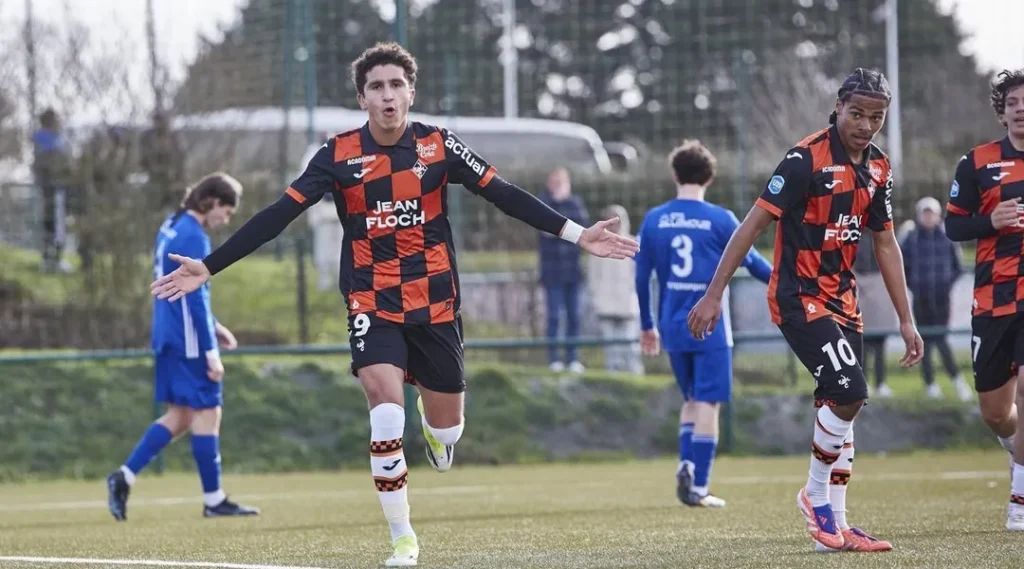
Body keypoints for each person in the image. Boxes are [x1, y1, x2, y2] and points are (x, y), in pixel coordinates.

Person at [149, 42, 638, 567]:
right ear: (363, 98)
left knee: (449, 429)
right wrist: (211, 265)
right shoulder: (336, 155)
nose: (387, 95)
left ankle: (435, 423)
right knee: (384, 413)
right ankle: (403, 538)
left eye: (395, 85)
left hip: (435, 303)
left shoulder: (438, 145)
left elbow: (505, 193)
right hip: (371, 299)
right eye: (376, 86)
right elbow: (278, 213)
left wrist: (576, 233)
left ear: (411, 91)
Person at [687, 68, 923, 552]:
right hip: (798, 296)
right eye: (856, 113)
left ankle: (832, 528)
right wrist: (715, 293)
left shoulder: (879, 167)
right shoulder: (803, 159)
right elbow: (750, 227)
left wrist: (906, 317)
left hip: (844, 301)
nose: (865, 124)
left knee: (840, 409)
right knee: (850, 389)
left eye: (875, 117)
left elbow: (885, 242)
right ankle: (813, 495)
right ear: (838, 107)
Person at [106, 173, 259, 521]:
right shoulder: (194, 235)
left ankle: (123, 476)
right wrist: (210, 351)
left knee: (182, 415)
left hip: (169, 333)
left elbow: (188, 294)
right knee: (208, 411)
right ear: (213, 202)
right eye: (227, 210)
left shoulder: (171, 225)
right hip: (188, 339)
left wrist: (215, 326)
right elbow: (196, 299)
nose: (226, 219)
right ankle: (214, 499)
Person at [635, 140, 772, 508]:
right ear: (709, 177)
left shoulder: (654, 219)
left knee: (692, 399)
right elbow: (756, 264)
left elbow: (641, 275)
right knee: (709, 402)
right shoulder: (721, 219)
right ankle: (700, 485)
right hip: (711, 327)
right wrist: (791, 284)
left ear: (675, 175)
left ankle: (685, 464)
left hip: (671, 324)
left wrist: (648, 325)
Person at [943, 68, 1024, 531]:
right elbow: (955, 227)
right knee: (997, 413)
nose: (1021, 110)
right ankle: (1015, 452)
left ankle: (1019, 501)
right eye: (1013, 102)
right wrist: (990, 221)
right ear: (1002, 112)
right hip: (993, 299)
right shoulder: (976, 162)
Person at [901, 197, 970, 401]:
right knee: (924, 342)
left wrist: (945, 285)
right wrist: (914, 286)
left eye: (931, 213)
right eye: (925, 212)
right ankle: (931, 383)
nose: (928, 216)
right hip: (921, 296)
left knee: (940, 338)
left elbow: (957, 267)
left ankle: (956, 380)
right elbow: (902, 267)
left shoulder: (947, 237)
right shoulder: (911, 239)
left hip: (941, 298)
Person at [538, 167, 590, 373]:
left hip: (573, 272)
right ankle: (553, 360)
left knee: (574, 316)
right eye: (554, 181)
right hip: (552, 272)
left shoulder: (575, 204)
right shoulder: (543, 203)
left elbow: (582, 230)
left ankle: (572, 358)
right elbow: (547, 228)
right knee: (553, 316)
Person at [588, 204, 643, 375]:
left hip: (628, 305)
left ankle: (635, 378)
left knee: (631, 346)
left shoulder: (633, 243)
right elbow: (593, 276)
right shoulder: (597, 246)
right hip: (606, 305)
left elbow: (640, 275)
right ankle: (615, 380)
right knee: (611, 349)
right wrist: (597, 297)